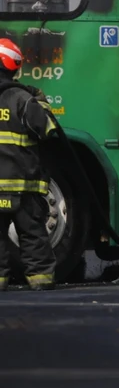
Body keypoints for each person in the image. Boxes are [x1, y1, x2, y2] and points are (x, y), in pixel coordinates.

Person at [0, 39, 57, 291]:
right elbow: (48, 130)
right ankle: (40, 281)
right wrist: (41, 102)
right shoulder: (22, 99)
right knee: (33, 235)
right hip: (26, 187)